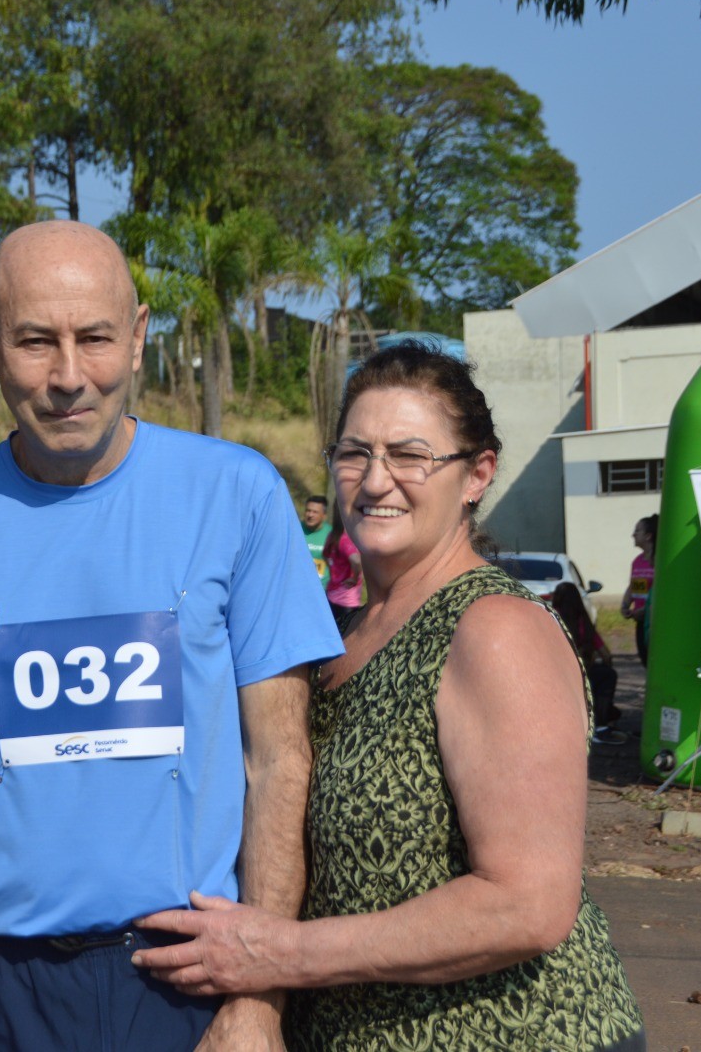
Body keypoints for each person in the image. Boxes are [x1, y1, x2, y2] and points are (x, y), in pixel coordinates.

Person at [0, 220, 343, 1052]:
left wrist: (256, 999)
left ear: (139, 334)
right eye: (34, 341)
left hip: (186, 982)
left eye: (95, 338)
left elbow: (278, 760)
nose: (68, 377)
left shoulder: (237, 496)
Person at [133, 343, 645, 1051]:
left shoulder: (493, 629)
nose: (376, 481)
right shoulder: (334, 631)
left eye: (410, 455)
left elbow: (529, 903)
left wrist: (280, 953)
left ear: (477, 474)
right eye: (354, 453)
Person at [552, 581, 622, 743]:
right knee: (607, 675)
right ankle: (601, 724)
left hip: (556, 674)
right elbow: (606, 654)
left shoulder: (551, 618)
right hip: (584, 672)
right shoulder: (584, 622)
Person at [619, 514, 657, 666]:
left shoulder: (658, 559)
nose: (633, 535)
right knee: (644, 659)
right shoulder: (637, 561)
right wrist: (625, 606)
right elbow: (633, 585)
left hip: (654, 619)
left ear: (648, 536)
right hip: (640, 620)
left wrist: (646, 611)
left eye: (637, 531)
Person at [322, 511, 362, 627]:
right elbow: (356, 561)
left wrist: (333, 570)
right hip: (347, 599)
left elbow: (325, 554)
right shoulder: (346, 540)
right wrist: (354, 578)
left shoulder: (332, 536)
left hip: (332, 593)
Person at [302, 495, 331, 587]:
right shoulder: (295, 529)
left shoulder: (331, 535)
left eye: (315, 512)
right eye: (308, 511)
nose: (310, 515)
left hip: (322, 591)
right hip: (297, 587)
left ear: (324, 515)